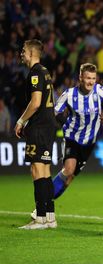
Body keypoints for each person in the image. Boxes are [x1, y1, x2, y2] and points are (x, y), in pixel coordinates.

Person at [31, 63, 103, 219]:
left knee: (69, 179)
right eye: (87, 78)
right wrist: (60, 123)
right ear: (80, 78)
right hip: (72, 137)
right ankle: (42, 207)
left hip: (90, 142)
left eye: (93, 78)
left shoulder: (100, 91)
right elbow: (55, 112)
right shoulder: (69, 94)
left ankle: (46, 205)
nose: (91, 82)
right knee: (69, 169)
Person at [15, 39, 58, 229]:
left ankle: (40, 218)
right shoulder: (45, 72)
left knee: (37, 169)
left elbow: (35, 103)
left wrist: (21, 120)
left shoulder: (35, 73)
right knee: (46, 171)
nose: (21, 53)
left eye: (24, 50)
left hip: (39, 126)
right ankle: (50, 216)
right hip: (49, 125)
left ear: (32, 53)